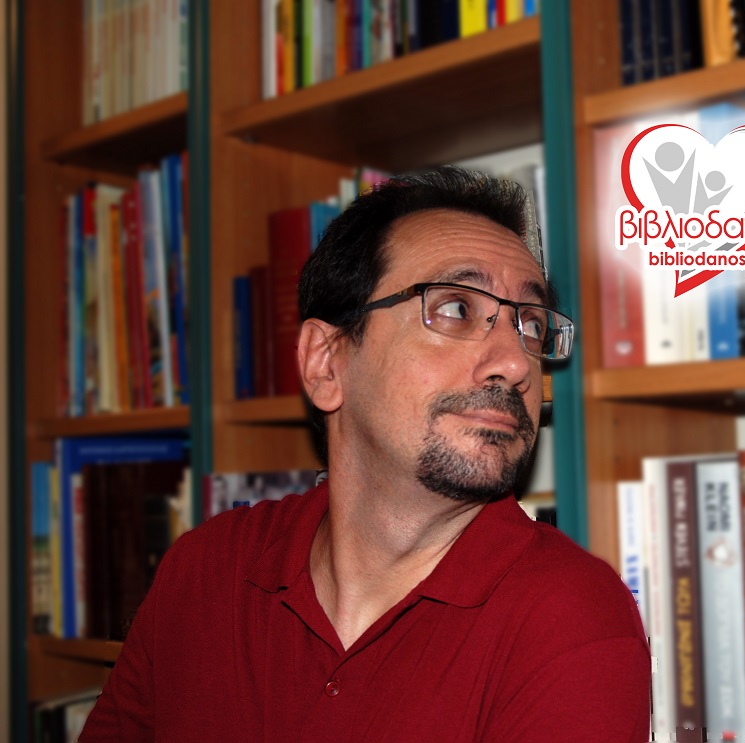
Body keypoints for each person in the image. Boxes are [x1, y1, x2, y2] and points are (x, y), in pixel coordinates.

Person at [81, 166, 651, 741]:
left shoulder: (571, 616)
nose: (515, 362)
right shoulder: (205, 573)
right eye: (455, 308)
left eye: (529, 324)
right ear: (326, 363)